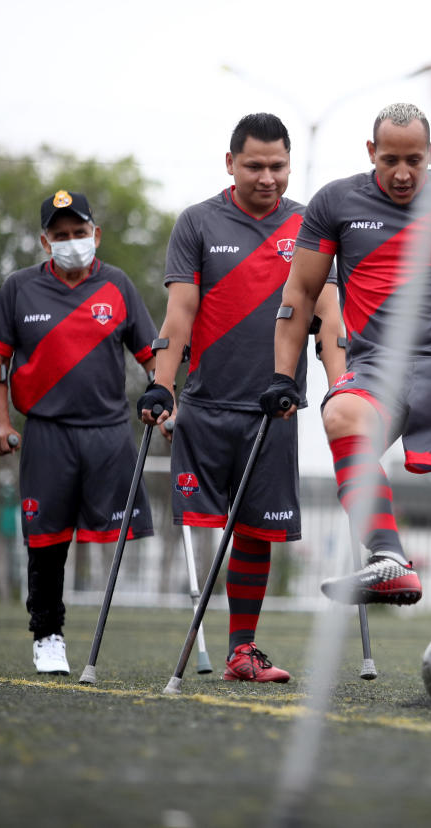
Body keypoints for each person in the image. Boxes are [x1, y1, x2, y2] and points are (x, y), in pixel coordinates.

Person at [262, 102, 431, 607]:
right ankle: (389, 560)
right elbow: (299, 296)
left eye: (414, 160)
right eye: (390, 159)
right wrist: (283, 376)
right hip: (377, 365)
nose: (402, 173)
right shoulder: (335, 203)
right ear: (372, 152)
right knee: (340, 412)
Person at [137, 113, 343, 684]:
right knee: (205, 527)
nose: (267, 176)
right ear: (230, 163)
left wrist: (339, 379)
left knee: (257, 530)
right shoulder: (198, 222)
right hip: (204, 406)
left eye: (278, 165)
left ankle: (242, 653)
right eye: (255, 165)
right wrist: (162, 382)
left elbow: (327, 313)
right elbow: (180, 314)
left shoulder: (309, 225)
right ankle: (209, 643)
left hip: (273, 407)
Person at [0, 191, 159, 675]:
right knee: (47, 540)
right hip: (47, 432)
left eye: (79, 233)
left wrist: (165, 401)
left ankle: (115, 637)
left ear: (95, 235)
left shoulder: (118, 285)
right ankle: (48, 634)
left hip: (107, 431)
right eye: (60, 236)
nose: (72, 242)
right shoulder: (19, 289)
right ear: (45, 242)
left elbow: (151, 355)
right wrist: (1, 423)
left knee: (118, 536)